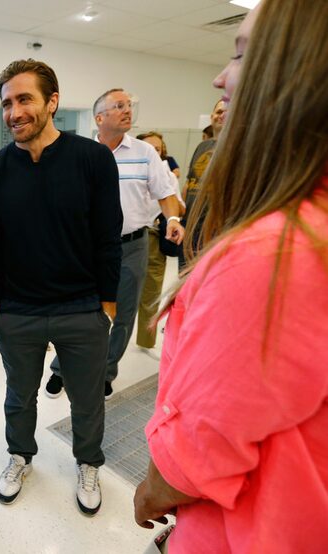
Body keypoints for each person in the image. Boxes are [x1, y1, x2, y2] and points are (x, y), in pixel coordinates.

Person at [134, 1, 328, 551]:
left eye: (240, 53)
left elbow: (200, 448)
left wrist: (150, 492)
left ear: (297, 73)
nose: (219, 77)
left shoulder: (272, 254)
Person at [0, 59, 122, 515]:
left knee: (87, 397)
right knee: (20, 395)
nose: (14, 112)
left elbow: (107, 236)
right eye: (6, 103)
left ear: (52, 101)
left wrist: (107, 306)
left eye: (24, 99)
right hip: (18, 311)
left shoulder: (92, 160)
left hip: (82, 309)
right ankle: (20, 456)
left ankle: (88, 461)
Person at [45, 88, 184, 400]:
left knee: (122, 315)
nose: (127, 110)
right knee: (77, 309)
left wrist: (172, 220)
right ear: (99, 117)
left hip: (132, 246)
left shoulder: (145, 153)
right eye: (118, 106)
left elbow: (166, 193)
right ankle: (61, 369)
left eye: (128, 105)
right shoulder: (76, 152)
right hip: (86, 247)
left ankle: (106, 372)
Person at [134, 132, 185, 358]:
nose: (154, 152)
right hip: (127, 237)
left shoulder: (167, 176)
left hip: (154, 234)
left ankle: (146, 340)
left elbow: (180, 206)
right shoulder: (127, 171)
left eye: (158, 148)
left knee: (152, 290)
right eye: (149, 148)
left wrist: (170, 213)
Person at [179, 99, 227, 269]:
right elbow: (189, 182)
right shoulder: (202, 146)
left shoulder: (239, 147)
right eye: (218, 111)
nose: (221, 115)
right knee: (184, 277)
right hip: (191, 225)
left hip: (217, 227)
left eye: (227, 110)